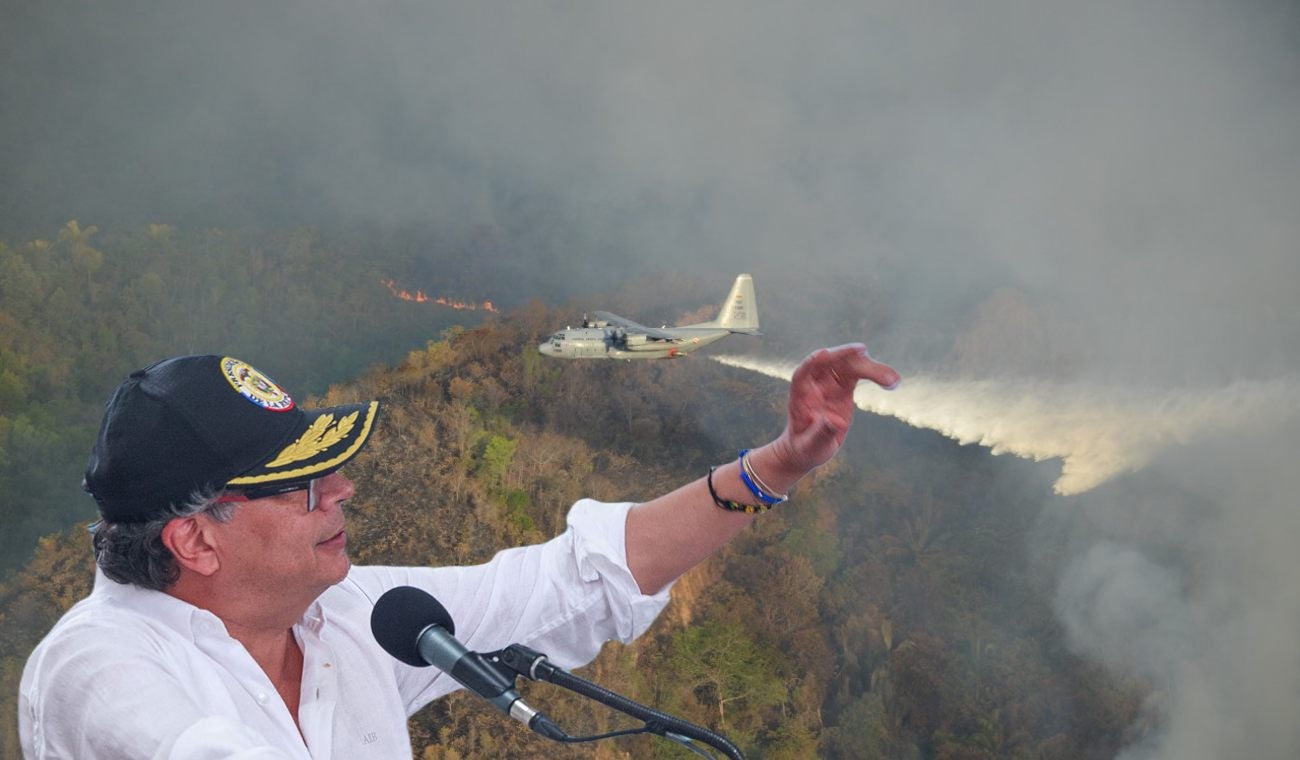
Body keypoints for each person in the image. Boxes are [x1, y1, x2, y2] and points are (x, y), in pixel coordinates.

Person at [18, 345, 899, 759]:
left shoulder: (354, 614)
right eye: (303, 488)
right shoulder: (95, 666)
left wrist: (774, 465)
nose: (345, 493)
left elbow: (569, 583)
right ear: (194, 539)